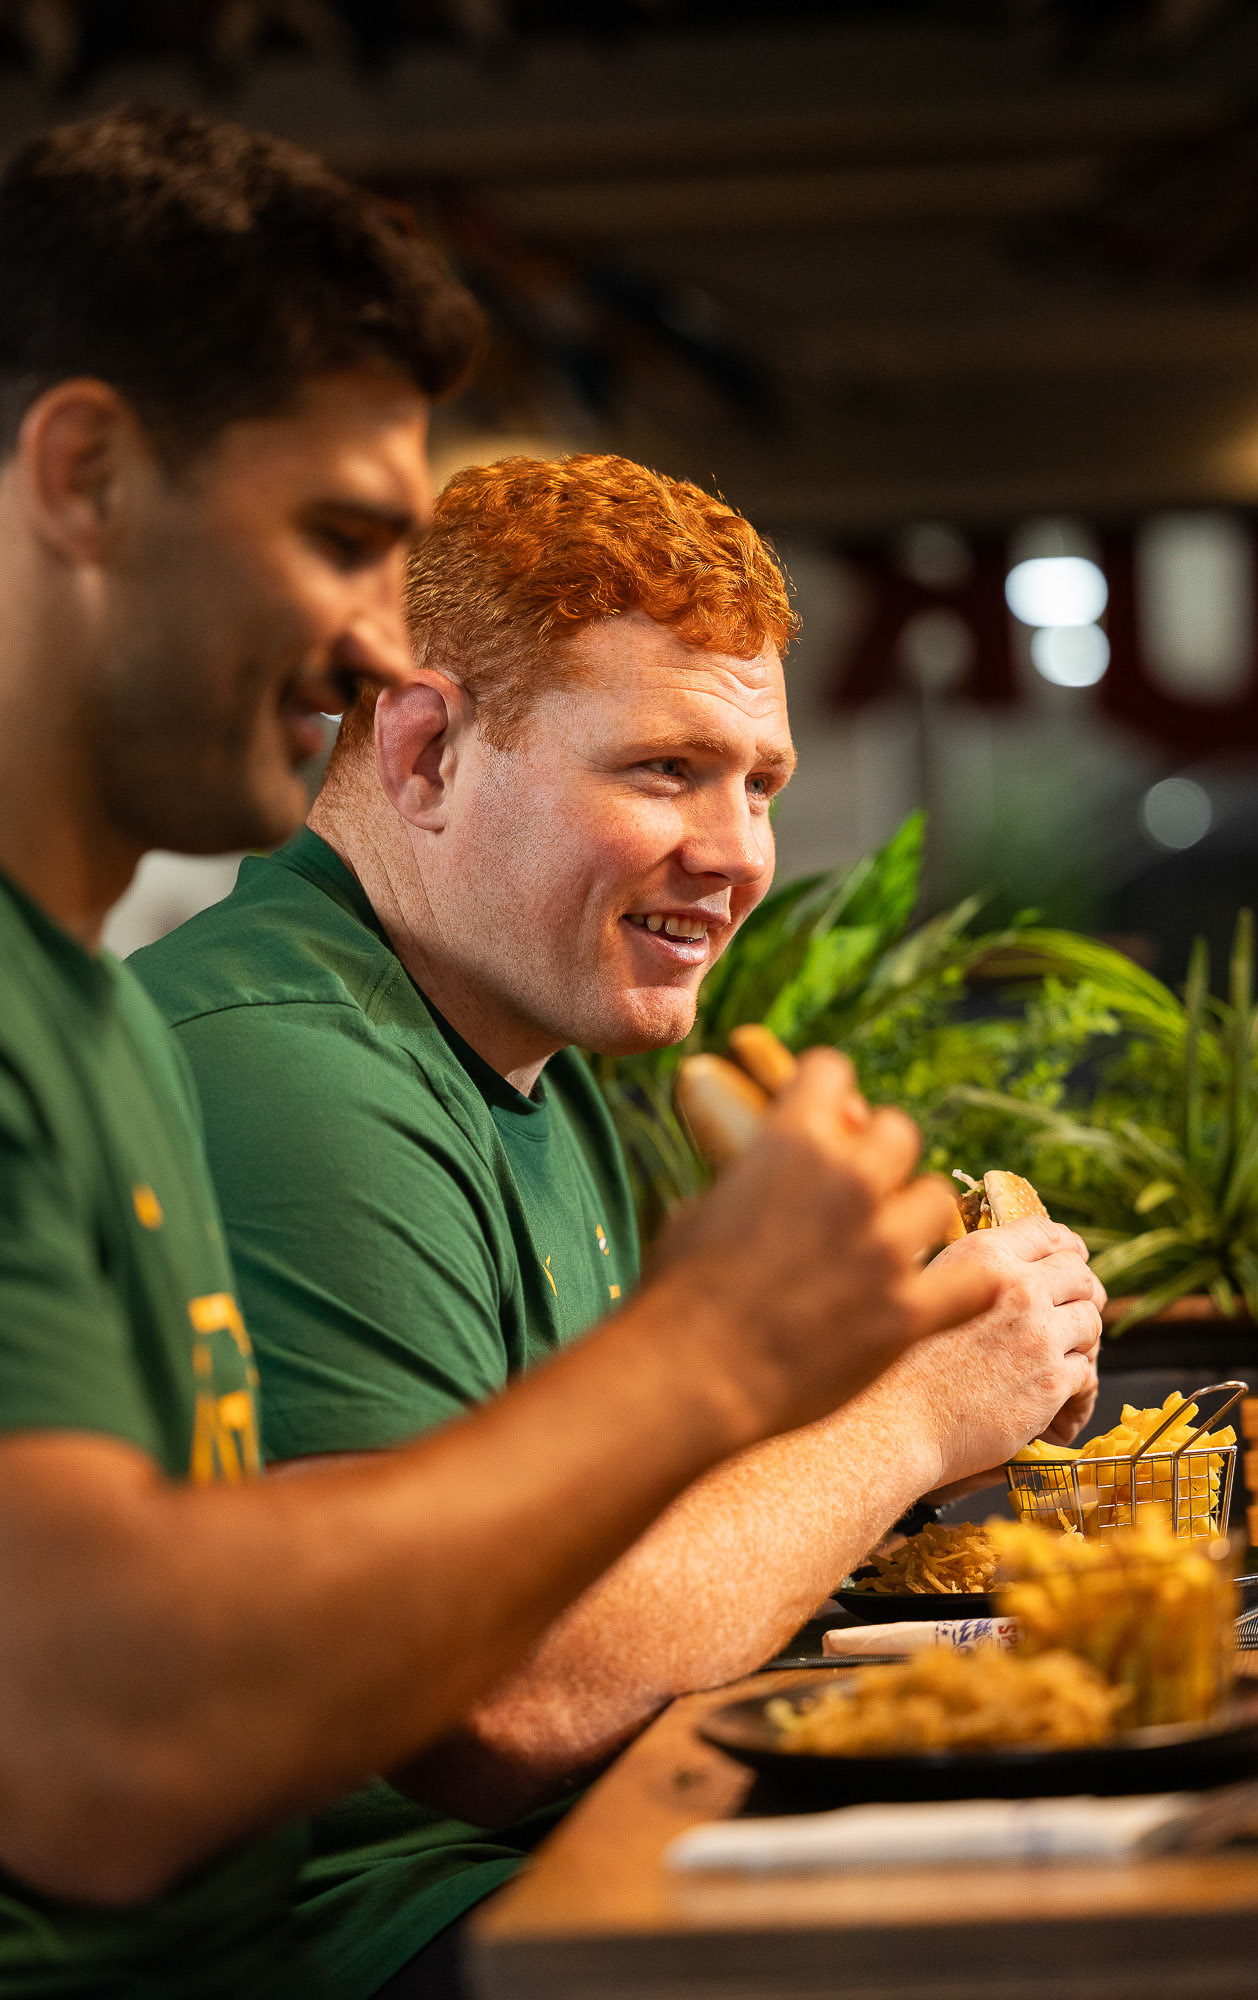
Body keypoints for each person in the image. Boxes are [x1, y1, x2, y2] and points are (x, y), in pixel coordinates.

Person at [0, 107, 1012, 1999]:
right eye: (333, 540)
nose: (368, 644)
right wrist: (789, 1380)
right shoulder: (237, 1045)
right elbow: (141, 1752)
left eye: (757, 782)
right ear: (83, 481)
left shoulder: (83, 1011)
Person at [136, 452, 1103, 1998]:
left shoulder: (534, 1062)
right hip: (347, 1941)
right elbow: (501, 1703)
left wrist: (874, 1360)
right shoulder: (285, 1067)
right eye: (663, 769)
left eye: (760, 782)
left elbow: (610, 1557)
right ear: (428, 747)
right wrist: (909, 1416)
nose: (737, 855)